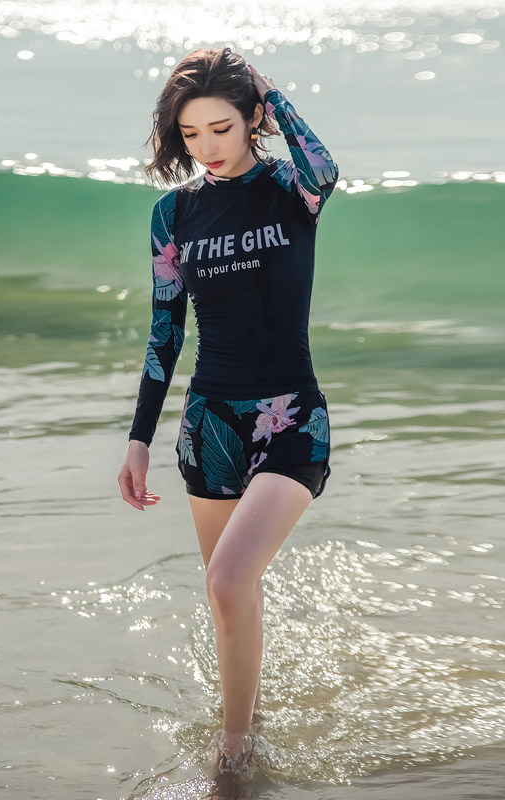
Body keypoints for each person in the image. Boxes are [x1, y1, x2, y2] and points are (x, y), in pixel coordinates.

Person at [117, 46, 338, 784]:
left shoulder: (290, 191)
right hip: (209, 424)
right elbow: (165, 331)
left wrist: (275, 95)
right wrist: (140, 439)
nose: (207, 146)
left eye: (222, 127)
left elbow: (325, 168)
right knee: (231, 594)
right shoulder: (173, 213)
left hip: (290, 416)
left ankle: (233, 752)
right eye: (191, 134)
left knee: (226, 580)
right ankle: (251, 720)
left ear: (252, 120)